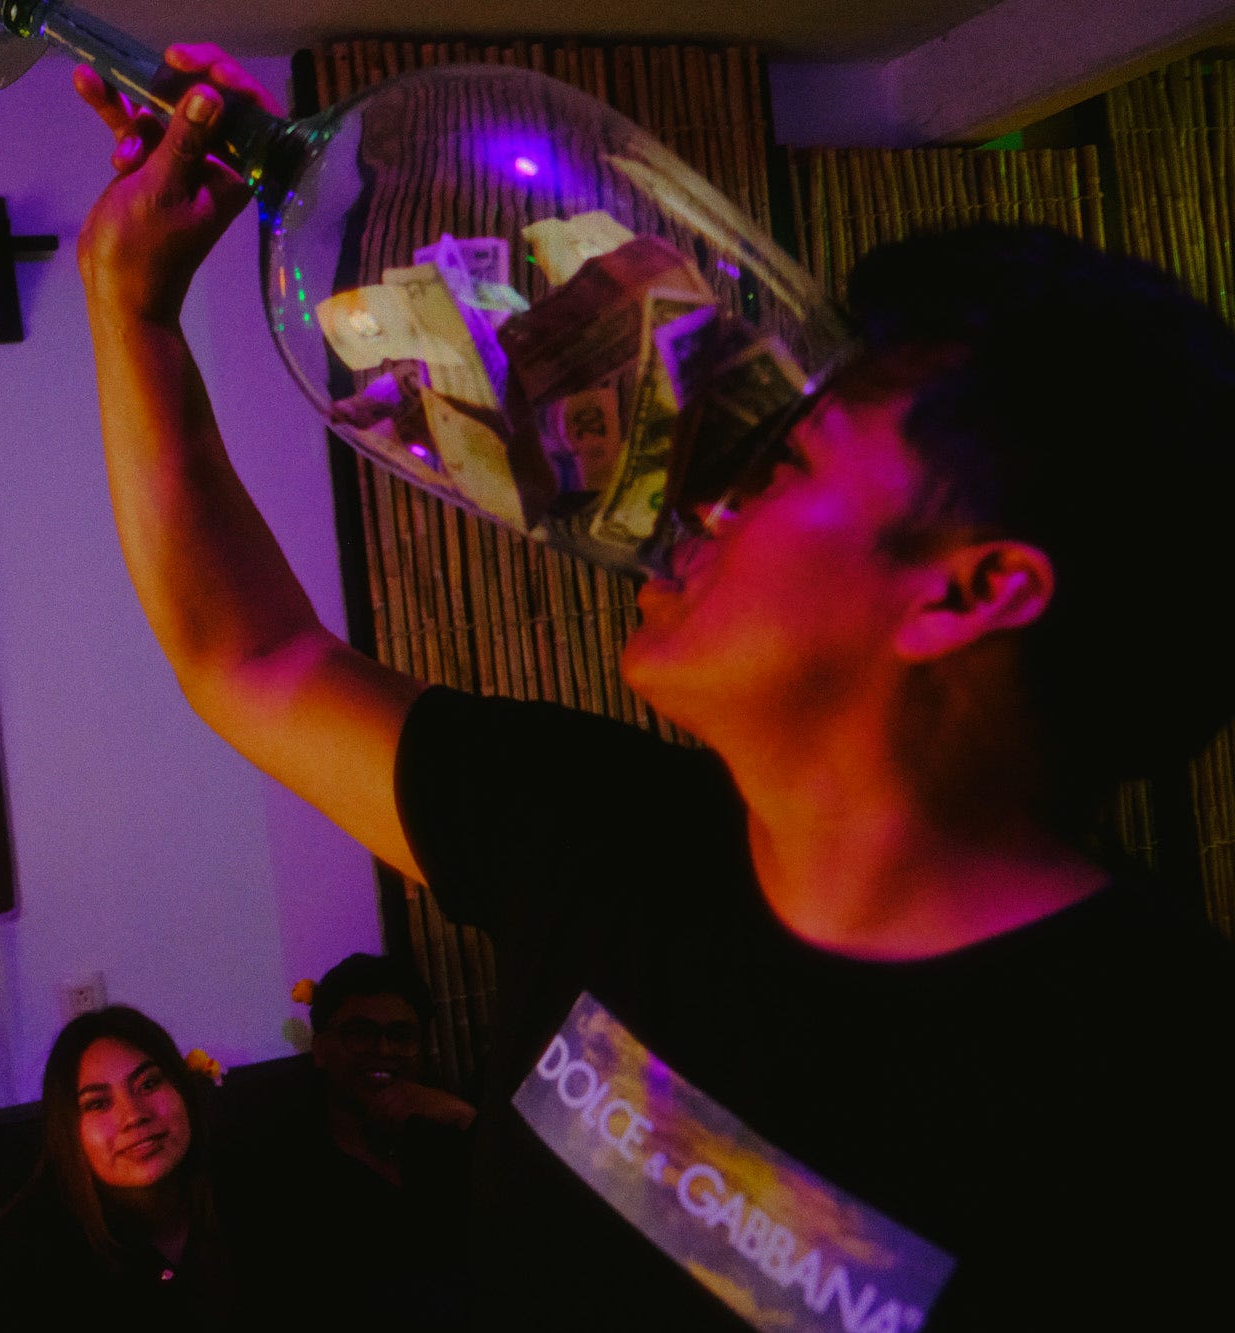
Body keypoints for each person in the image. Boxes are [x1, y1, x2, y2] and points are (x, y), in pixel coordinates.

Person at [70, 43, 1235, 1330]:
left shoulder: (1168, 1102)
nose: (703, 489)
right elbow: (251, 658)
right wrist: (132, 310)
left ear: (969, 592)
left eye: (787, 466)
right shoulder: (601, 835)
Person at [227, 953, 474, 1329]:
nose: (384, 1051)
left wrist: (465, 1117)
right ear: (320, 1049)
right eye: (360, 1034)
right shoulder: (284, 1177)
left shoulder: (450, 1139)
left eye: (400, 1036)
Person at [0, 1005, 253, 1329]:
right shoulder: (31, 1255)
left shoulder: (255, 1188)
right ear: (69, 1131)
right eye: (98, 1103)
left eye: (148, 1084)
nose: (134, 1115)